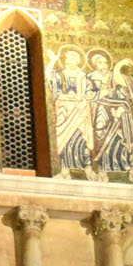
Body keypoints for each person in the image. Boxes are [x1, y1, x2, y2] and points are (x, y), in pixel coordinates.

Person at [85, 51, 133, 180]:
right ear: (95, 64)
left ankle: (124, 169)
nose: (103, 65)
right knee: (101, 136)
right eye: (100, 62)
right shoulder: (90, 77)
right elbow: (87, 95)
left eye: (105, 62)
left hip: (117, 110)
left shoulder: (114, 76)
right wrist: (102, 93)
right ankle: (103, 170)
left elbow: (123, 92)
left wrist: (120, 108)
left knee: (119, 138)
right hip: (100, 110)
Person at [48, 46, 93, 175]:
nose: (68, 61)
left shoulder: (82, 76)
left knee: (79, 139)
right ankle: (64, 169)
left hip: (78, 112)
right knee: (63, 140)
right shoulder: (61, 74)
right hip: (63, 111)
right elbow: (49, 77)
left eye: (72, 59)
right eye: (67, 58)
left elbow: (84, 95)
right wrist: (52, 60)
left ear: (78, 61)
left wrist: (75, 99)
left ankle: (85, 169)